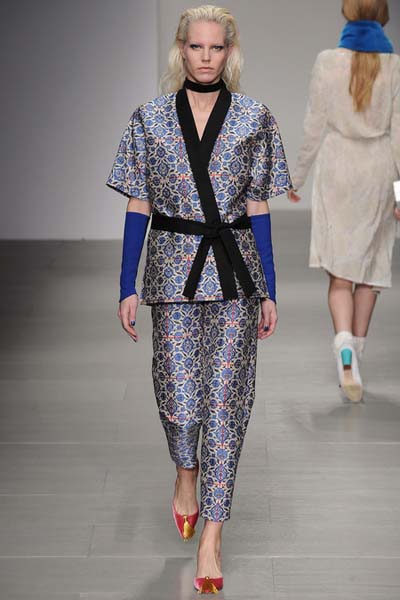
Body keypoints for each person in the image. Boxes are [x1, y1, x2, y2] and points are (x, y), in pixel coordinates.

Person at [106, 5, 291, 593]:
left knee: (227, 404)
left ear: (229, 52)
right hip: (172, 270)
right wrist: (127, 283)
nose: (206, 57)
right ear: (180, 50)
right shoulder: (149, 119)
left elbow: (258, 206)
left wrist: (268, 288)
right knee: (180, 399)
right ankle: (185, 472)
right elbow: (138, 201)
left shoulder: (255, 118)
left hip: (235, 272)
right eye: (196, 47)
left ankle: (213, 536)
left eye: (216, 48)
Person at [289, 0, 400, 402]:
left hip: (337, 166)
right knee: (369, 270)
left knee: (339, 273)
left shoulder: (327, 61)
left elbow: (313, 124)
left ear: (347, 13)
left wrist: (297, 177)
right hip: (377, 169)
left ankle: (344, 347)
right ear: (383, 15)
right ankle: (357, 356)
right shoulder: (395, 66)